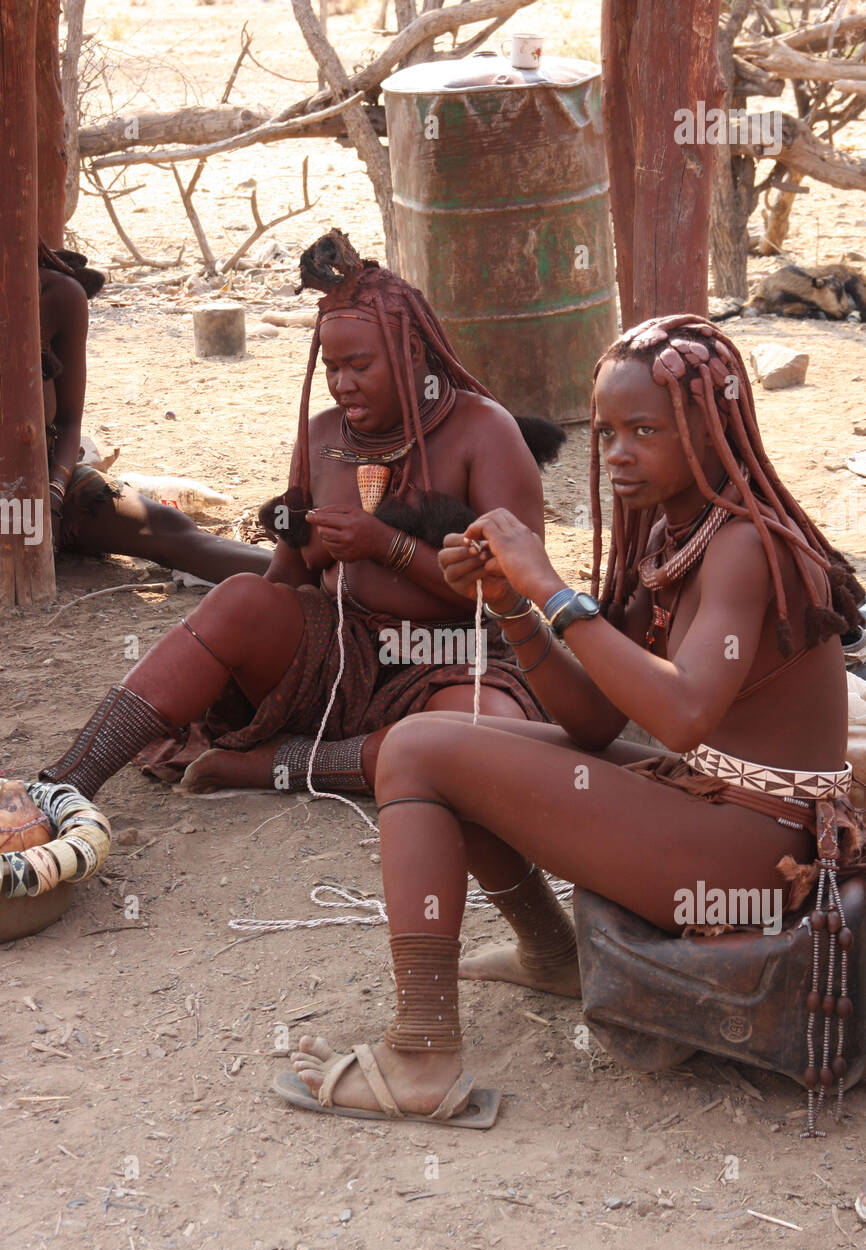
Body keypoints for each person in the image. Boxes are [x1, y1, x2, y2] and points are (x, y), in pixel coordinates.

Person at [279, 314, 866, 1127]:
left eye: (644, 431)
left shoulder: (745, 546)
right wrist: (513, 606)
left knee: (417, 753)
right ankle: (554, 957)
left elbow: (682, 713)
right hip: (714, 804)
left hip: (760, 849)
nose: (617, 453)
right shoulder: (671, 529)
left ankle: (421, 1056)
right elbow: (592, 723)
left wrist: (553, 588)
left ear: (710, 428)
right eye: (607, 432)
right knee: (435, 747)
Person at [39, 232, 566, 864]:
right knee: (238, 601)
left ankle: (276, 764)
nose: (342, 384)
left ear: (414, 352)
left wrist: (387, 545)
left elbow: (514, 595)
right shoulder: (322, 439)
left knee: (491, 738)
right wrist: (296, 569)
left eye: (360, 366)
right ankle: (63, 782)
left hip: (458, 655)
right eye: (332, 367)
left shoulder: (484, 432)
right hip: (341, 650)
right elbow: (284, 581)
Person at [39, 241, 271, 582]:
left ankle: (331, 582)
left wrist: (53, 498)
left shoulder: (57, 295)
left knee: (168, 528)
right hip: (16, 503)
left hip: (44, 480)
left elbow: (69, 423)